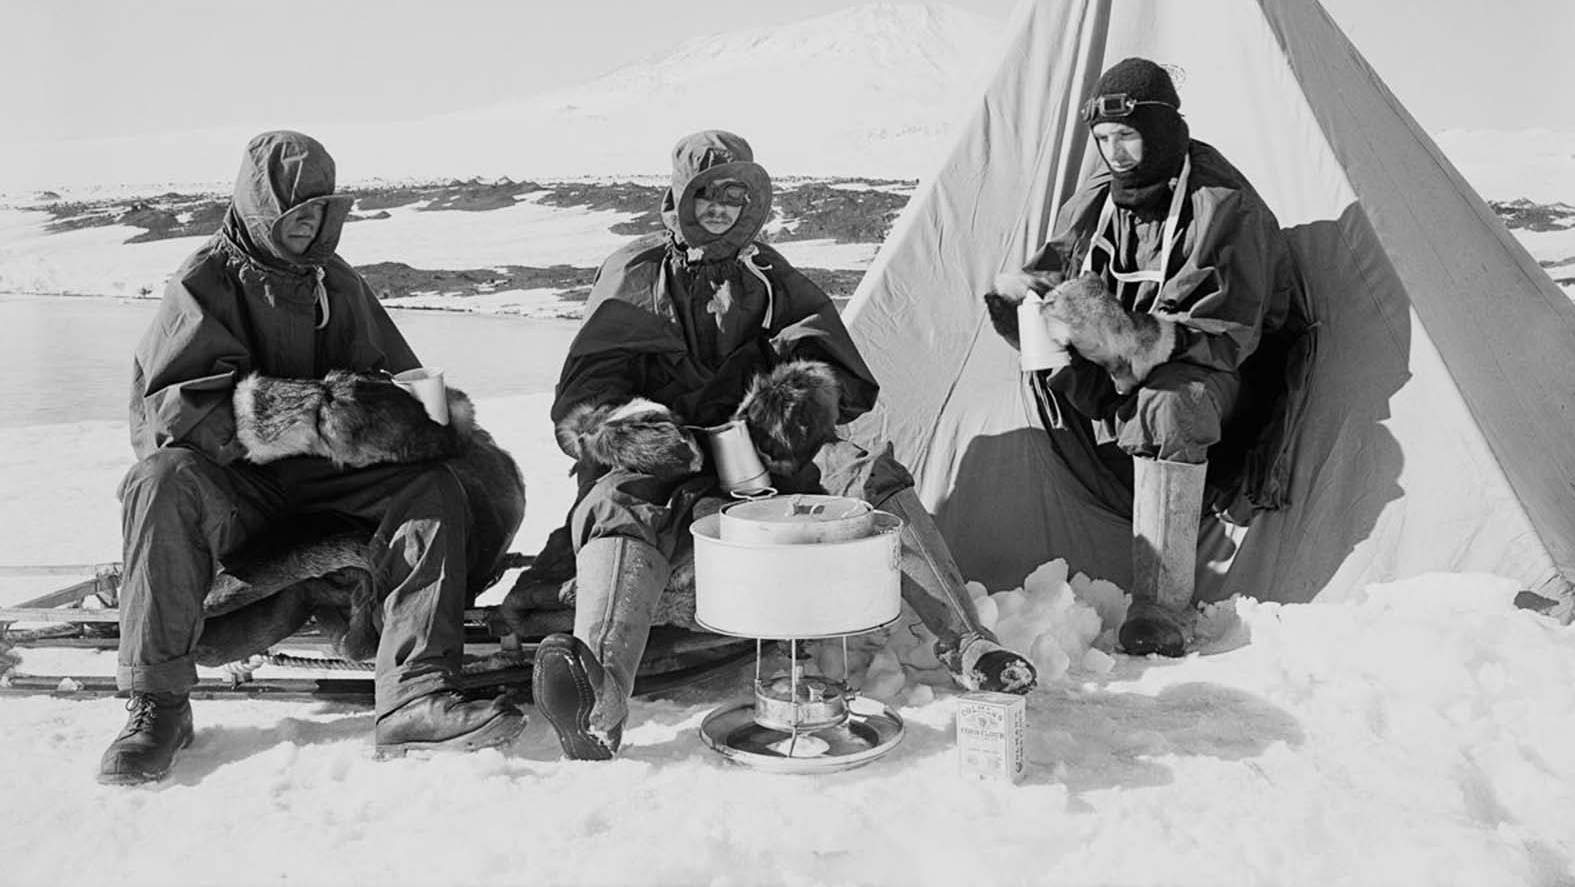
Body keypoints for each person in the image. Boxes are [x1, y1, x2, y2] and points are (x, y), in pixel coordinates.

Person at [526, 130, 1036, 761]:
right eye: (708, 194)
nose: (720, 208)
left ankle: (968, 644)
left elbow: (830, 362)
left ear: (753, 203)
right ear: (683, 197)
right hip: (669, 456)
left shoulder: (766, 274)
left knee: (864, 468)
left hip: (755, 450)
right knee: (617, 503)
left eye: (735, 196)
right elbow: (589, 390)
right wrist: (640, 433)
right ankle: (598, 703)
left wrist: (793, 403)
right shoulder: (636, 270)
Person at [99, 130, 526, 786]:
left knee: (434, 483)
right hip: (241, 491)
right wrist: (311, 413)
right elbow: (169, 416)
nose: (308, 227)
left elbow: (398, 378)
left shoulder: (340, 284)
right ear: (262, 210)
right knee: (159, 479)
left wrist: (421, 416)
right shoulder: (204, 281)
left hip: (328, 487)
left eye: (320, 212)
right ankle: (157, 703)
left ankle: (414, 695)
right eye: (296, 213)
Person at [986, 58, 1301, 658]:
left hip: (1215, 373)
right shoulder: (1099, 200)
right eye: (1103, 140)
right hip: (1122, 365)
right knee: (1044, 356)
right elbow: (1057, 265)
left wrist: (1133, 339)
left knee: (1167, 402)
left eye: (1127, 136)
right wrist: (1029, 301)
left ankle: (1163, 606)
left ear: (1159, 132)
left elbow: (1231, 328)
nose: (1116, 152)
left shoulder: (1222, 203)